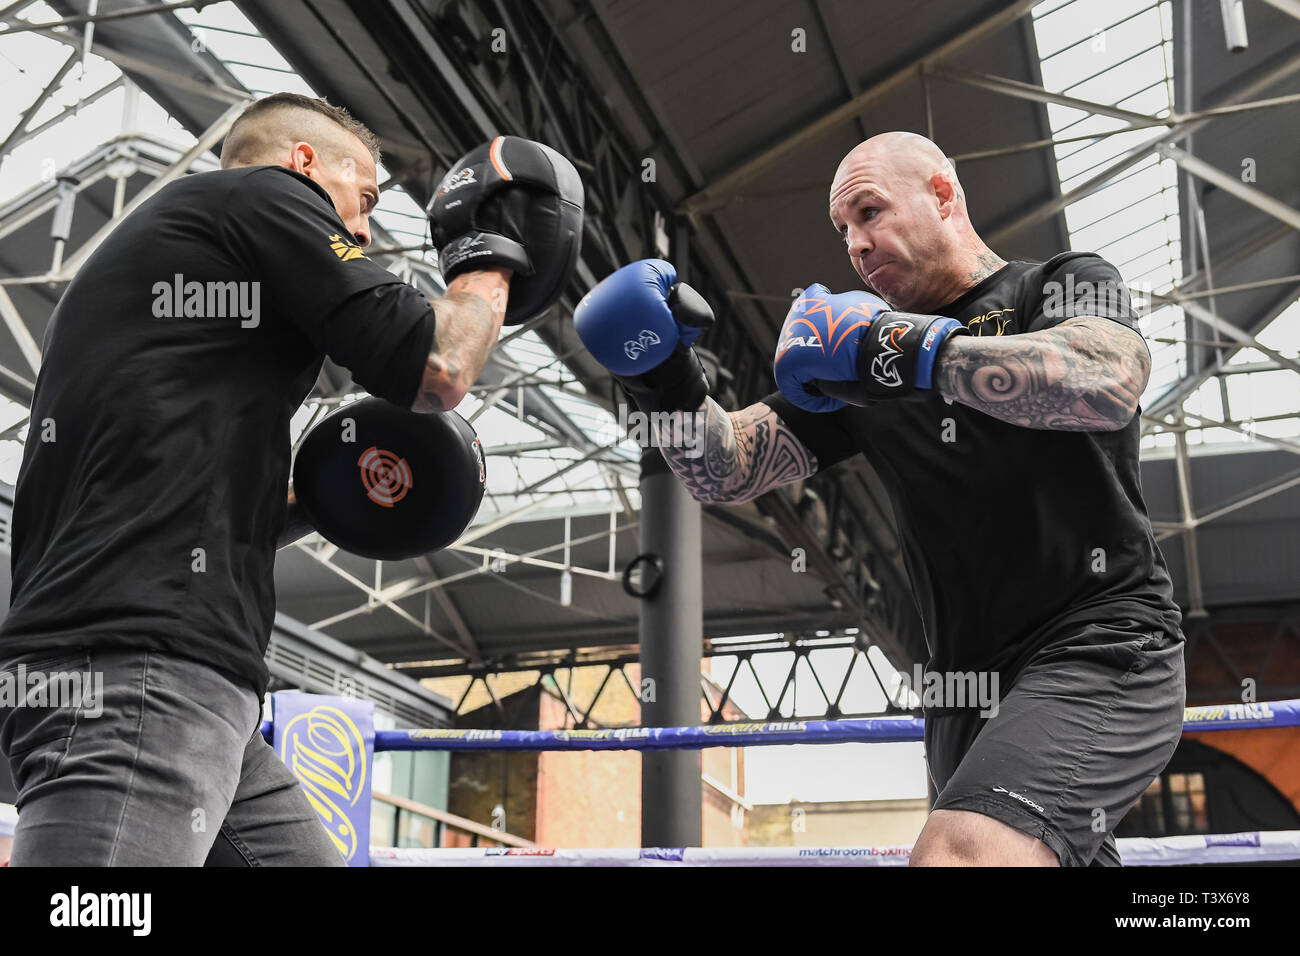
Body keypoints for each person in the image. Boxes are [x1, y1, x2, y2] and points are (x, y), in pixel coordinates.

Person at [575, 131, 1186, 867]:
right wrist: (663, 381)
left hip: (1102, 640)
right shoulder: (853, 361)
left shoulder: (1052, 284)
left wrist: (901, 350)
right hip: (966, 685)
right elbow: (724, 471)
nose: (857, 246)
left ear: (943, 194)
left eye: (869, 212)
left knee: (959, 856)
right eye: (844, 232)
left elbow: (1106, 381)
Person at [0, 93, 538, 864]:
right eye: (366, 199)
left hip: (187, 683)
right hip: (139, 669)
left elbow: (190, 500)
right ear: (305, 163)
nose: (360, 230)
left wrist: (338, 491)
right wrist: (492, 259)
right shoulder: (262, 196)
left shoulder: (165, 285)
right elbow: (437, 366)